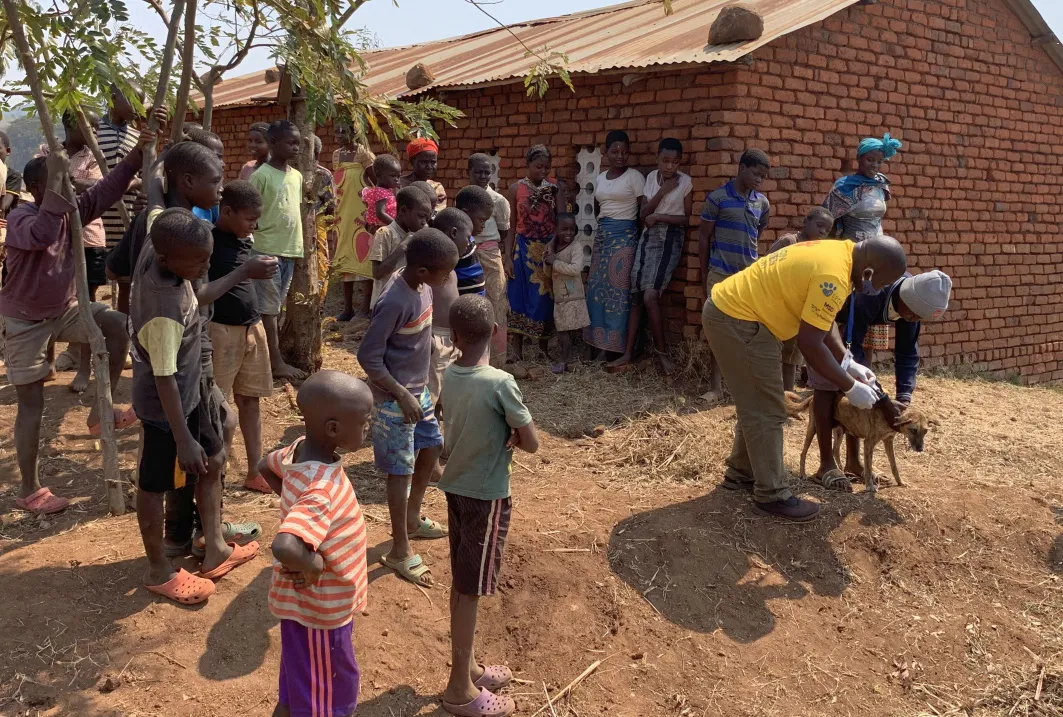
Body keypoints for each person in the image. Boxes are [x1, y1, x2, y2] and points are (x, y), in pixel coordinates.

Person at [701, 236, 908, 522]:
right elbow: (810, 344)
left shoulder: (841, 254)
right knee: (768, 409)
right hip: (739, 319)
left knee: (758, 400)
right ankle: (772, 494)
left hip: (736, 312)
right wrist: (850, 387)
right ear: (869, 272)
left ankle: (741, 473)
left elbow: (825, 321)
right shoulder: (833, 274)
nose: (879, 290)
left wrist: (848, 363)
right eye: (882, 283)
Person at [2, 131, 152, 516]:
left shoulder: (70, 210)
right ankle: (30, 488)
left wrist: (137, 154)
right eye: (60, 182)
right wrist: (61, 194)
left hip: (66, 309)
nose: (71, 189)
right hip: (25, 322)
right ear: (38, 187)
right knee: (31, 404)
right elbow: (43, 234)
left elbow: (107, 189)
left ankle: (102, 407)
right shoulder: (21, 216)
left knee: (118, 326)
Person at [130, 208, 259, 604]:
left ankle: (215, 546)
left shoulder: (167, 256)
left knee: (215, 459)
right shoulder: (163, 308)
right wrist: (182, 438)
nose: (205, 267)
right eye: (199, 261)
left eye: (207, 258)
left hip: (192, 393)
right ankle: (158, 568)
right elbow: (163, 378)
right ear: (167, 259)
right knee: (154, 485)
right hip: (166, 411)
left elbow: (164, 217)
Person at [437, 294, 538, 717]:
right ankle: (459, 689)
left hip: (456, 487)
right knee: (471, 590)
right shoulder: (500, 382)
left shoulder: (449, 375)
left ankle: (470, 666)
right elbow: (531, 442)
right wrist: (516, 436)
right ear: (497, 332)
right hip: (487, 495)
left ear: (455, 337)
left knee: (462, 582)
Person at [259, 370, 372, 717]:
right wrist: (314, 564)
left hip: (307, 607)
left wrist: (290, 502)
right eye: (363, 422)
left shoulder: (296, 453)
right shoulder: (321, 488)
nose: (367, 429)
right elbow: (284, 546)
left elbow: (265, 464)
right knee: (331, 687)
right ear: (334, 429)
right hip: (320, 610)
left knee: (302, 675)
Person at [356, 228, 458, 588]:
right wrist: (400, 394)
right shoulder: (394, 300)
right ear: (422, 271)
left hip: (419, 392)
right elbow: (368, 356)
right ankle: (399, 548)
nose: (448, 280)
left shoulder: (424, 288)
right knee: (400, 471)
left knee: (431, 447)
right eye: (445, 273)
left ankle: (413, 518)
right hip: (395, 400)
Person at [808, 269, 952, 490]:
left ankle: (854, 464)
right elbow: (850, 347)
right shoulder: (872, 292)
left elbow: (907, 353)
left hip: (861, 324)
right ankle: (826, 465)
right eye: (912, 314)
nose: (912, 320)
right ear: (904, 298)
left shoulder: (912, 305)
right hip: (827, 315)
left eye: (918, 318)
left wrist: (903, 396)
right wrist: (881, 398)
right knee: (828, 384)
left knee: (863, 394)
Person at [207, 180, 280, 494]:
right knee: (218, 410)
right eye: (250, 218)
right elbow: (204, 292)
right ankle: (215, 478)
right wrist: (246, 272)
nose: (255, 225)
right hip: (221, 332)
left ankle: (254, 470)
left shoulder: (242, 240)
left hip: (252, 329)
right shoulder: (206, 242)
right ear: (227, 212)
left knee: (250, 401)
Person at [608, 137, 693, 376]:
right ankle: (628, 352)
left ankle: (663, 354)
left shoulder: (685, 182)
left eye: (674, 162)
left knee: (650, 295)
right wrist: (663, 192)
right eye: (665, 161)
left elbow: (687, 219)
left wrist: (661, 217)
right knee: (635, 294)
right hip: (648, 236)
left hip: (669, 238)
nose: (669, 167)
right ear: (658, 159)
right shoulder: (651, 180)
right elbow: (643, 213)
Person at [697, 148, 772, 402]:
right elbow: (704, 238)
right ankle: (716, 387)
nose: (759, 180)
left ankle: (742, 386)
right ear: (741, 168)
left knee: (746, 332)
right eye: (755, 173)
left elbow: (756, 233)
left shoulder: (761, 202)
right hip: (719, 274)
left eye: (763, 176)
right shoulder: (717, 198)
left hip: (748, 278)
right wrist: (703, 273)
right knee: (717, 331)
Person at [42, 111, 108, 393]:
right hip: (56, 237)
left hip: (88, 237)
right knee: (49, 300)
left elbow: (95, 186)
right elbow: (44, 184)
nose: (95, 131)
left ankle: (84, 367)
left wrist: (61, 178)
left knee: (86, 305)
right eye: (90, 126)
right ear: (71, 126)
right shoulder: (49, 150)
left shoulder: (94, 155)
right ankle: (48, 363)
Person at [249, 120, 306, 382]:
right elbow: (250, 212)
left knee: (275, 308)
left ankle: (269, 357)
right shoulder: (260, 176)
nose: (296, 147)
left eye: (298, 143)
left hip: (289, 251)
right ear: (273, 144)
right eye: (290, 142)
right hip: (266, 250)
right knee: (269, 310)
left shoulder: (296, 176)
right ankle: (274, 363)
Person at [587, 130, 645, 361]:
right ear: (605, 152)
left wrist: (632, 238)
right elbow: (598, 205)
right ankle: (599, 345)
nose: (620, 156)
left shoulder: (634, 177)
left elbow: (642, 210)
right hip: (603, 239)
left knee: (618, 293)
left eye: (624, 151)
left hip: (625, 239)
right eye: (615, 151)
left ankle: (614, 348)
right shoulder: (600, 178)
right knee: (596, 291)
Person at [766, 207, 836, 391]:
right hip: (777, 307)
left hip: (798, 311)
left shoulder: (819, 252)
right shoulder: (789, 242)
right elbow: (764, 268)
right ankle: (767, 397)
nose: (822, 231)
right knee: (770, 354)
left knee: (791, 357)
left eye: (827, 230)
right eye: (819, 225)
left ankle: (788, 398)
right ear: (806, 222)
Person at [505, 144, 557, 363]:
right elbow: (510, 225)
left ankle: (542, 350)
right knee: (518, 297)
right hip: (522, 250)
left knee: (544, 299)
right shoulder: (516, 189)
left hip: (545, 251)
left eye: (546, 168)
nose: (542, 172)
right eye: (538, 167)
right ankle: (516, 350)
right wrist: (507, 256)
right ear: (527, 165)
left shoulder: (554, 188)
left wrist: (552, 248)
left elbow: (561, 220)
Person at [428, 208, 475, 409]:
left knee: (446, 392)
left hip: (452, 338)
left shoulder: (450, 270)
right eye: (468, 236)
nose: (470, 241)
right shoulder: (432, 271)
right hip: (434, 340)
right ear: (454, 233)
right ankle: (424, 433)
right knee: (431, 391)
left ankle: (437, 428)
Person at [330, 122, 377, 321]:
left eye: (344, 130)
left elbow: (375, 183)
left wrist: (371, 213)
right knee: (345, 259)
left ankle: (365, 308)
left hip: (362, 214)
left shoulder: (364, 155)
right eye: (337, 131)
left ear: (354, 132)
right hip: (343, 215)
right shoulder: (336, 155)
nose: (340, 135)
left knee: (365, 259)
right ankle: (347, 309)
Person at [467, 153, 511, 363]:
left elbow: (504, 232)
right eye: (478, 172)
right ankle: (473, 357)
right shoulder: (463, 197)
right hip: (467, 255)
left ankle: (497, 360)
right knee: (471, 303)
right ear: (468, 173)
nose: (483, 176)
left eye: (487, 172)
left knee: (496, 303)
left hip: (492, 256)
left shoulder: (498, 201)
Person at [824, 133, 902, 242]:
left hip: (877, 249)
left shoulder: (880, 184)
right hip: (852, 249)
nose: (875, 165)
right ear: (858, 158)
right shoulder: (845, 186)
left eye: (879, 162)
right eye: (870, 160)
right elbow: (827, 221)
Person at [98, 82, 147, 255]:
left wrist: (134, 183)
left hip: (128, 217)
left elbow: (145, 176)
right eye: (133, 101)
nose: (137, 109)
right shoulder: (94, 131)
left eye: (140, 104)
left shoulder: (138, 136)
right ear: (113, 98)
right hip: (98, 218)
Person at [367, 186, 432, 309]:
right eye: (421, 216)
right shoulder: (385, 233)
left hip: (407, 303)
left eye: (426, 218)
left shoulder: (417, 235)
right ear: (403, 211)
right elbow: (377, 273)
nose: (424, 222)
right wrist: (403, 246)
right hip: (385, 304)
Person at [546, 213, 589, 374]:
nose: (569, 233)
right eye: (564, 229)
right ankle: (566, 360)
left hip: (573, 295)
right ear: (555, 230)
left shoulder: (576, 247)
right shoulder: (554, 247)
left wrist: (554, 262)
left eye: (572, 229)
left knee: (571, 329)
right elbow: (548, 270)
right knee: (562, 329)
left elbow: (575, 269)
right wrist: (547, 261)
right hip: (560, 296)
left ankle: (567, 360)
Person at [311, 136, 337, 305]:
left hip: (317, 223)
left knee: (320, 263)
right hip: (293, 226)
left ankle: (318, 303)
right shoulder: (290, 172)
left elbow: (331, 207)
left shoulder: (323, 175)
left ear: (317, 153)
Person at [451, 187, 489, 297]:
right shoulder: (457, 242)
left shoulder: (469, 239)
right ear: (465, 214)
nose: (483, 226)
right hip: (463, 301)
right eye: (481, 220)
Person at [401, 137, 446, 212]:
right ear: (412, 162)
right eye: (424, 162)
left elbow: (436, 216)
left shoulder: (437, 188)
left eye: (433, 162)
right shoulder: (398, 184)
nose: (429, 167)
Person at [363, 154, 401, 234]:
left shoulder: (384, 190)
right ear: (378, 175)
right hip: (382, 227)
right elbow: (380, 213)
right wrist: (397, 226)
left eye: (398, 176)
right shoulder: (381, 192)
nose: (397, 180)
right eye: (393, 176)